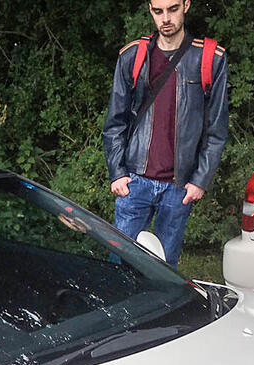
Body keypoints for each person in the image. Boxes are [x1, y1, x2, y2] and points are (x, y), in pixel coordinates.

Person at [102, 0, 229, 268]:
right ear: (150, 10)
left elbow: (216, 130)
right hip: (134, 181)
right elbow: (115, 122)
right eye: (158, 11)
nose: (165, 18)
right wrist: (118, 173)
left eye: (172, 9)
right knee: (120, 266)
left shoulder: (209, 58)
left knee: (165, 269)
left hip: (179, 186)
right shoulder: (133, 56)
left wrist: (200, 180)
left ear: (186, 5)